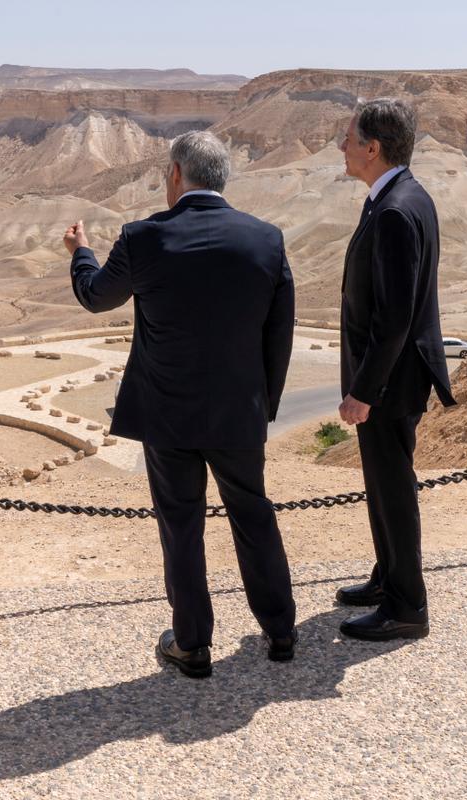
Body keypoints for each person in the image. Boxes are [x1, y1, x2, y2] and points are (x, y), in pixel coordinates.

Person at [62, 131, 296, 678]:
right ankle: (281, 630)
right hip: (239, 411)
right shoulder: (265, 238)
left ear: (175, 175)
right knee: (253, 514)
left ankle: (191, 644)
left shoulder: (145, 237)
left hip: (169, 416)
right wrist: (264, 401)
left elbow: (97, 296)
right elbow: (278, 332)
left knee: (181, 525)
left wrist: (81, 254)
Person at [335, 98, 456, 641]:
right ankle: (388, 578)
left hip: (390, 379)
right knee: (382, 485)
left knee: (393, 487)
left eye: (348, 138)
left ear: (372, 148)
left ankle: (407, 606)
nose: (342, 147)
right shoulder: (398, 197)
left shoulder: (393, 211)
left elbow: (394, 319)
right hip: (390, 375)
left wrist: (364, 390)